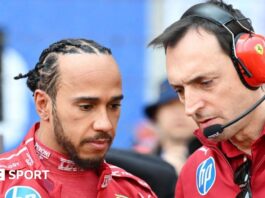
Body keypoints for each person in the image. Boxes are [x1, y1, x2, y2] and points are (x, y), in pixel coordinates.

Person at [0, 39, 157, 198]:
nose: (105, 124)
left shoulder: (135, 192)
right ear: (43, 105)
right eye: (86, 107)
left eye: (113, 106)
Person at [149, 0, 265, 197]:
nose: (190, 108)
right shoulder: (192, 173)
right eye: (180, 90)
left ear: (252, 67)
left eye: (205, 83)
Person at [143, 79, 200, 174]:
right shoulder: (141, 165)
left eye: (184, 105)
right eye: (169, 106)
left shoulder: (220, 161)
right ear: (156, 116)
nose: (178, 114)